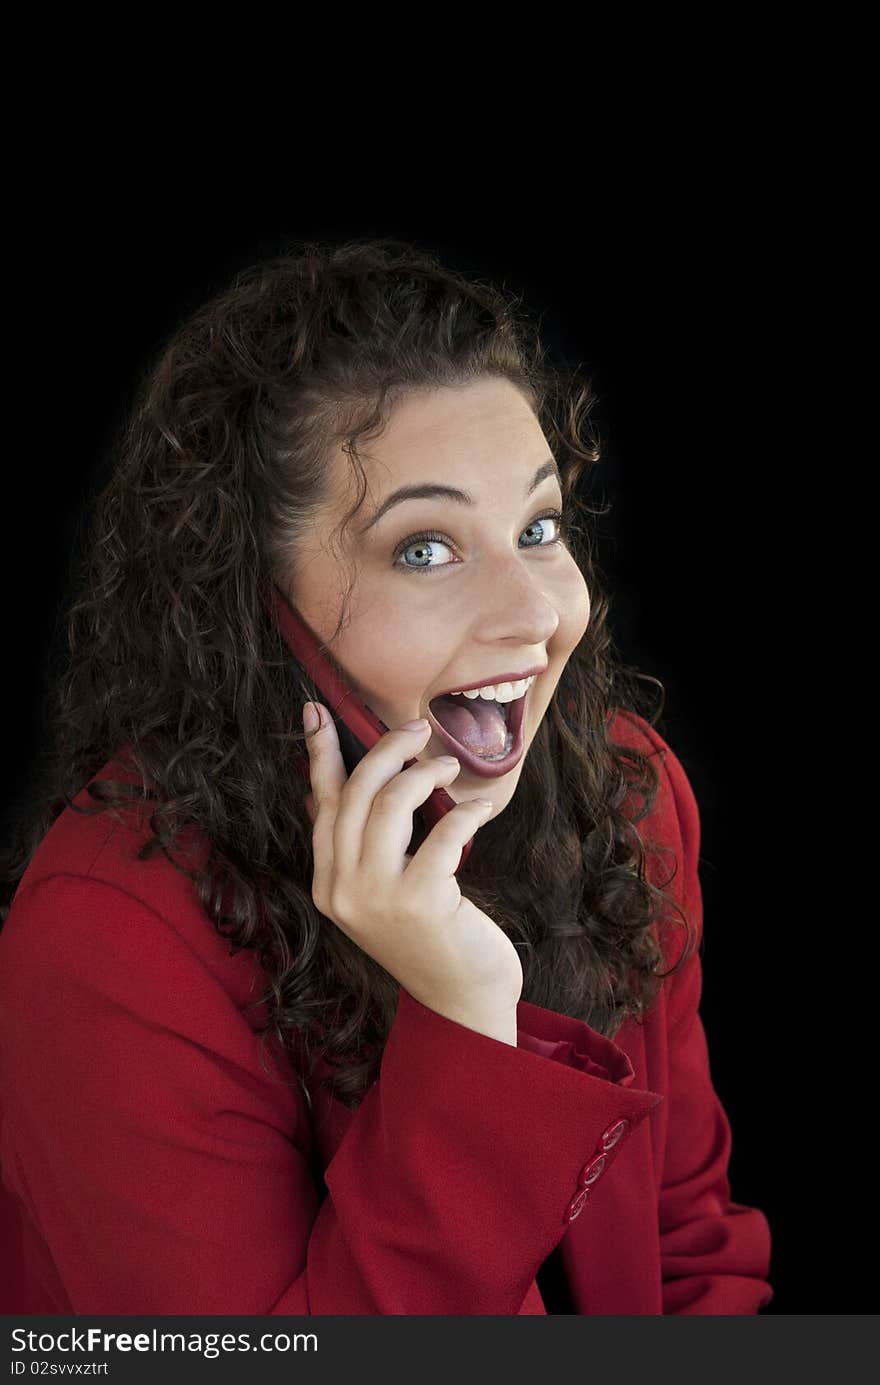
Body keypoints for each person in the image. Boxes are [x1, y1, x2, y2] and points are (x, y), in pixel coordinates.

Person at [0, 238, 773, 1315]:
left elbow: (691, 1252)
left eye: (537, 528)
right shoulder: (110, 935)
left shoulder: (627, 789)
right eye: (425, 548)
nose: (536, 615)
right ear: (256, 605)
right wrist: (463, 1023)